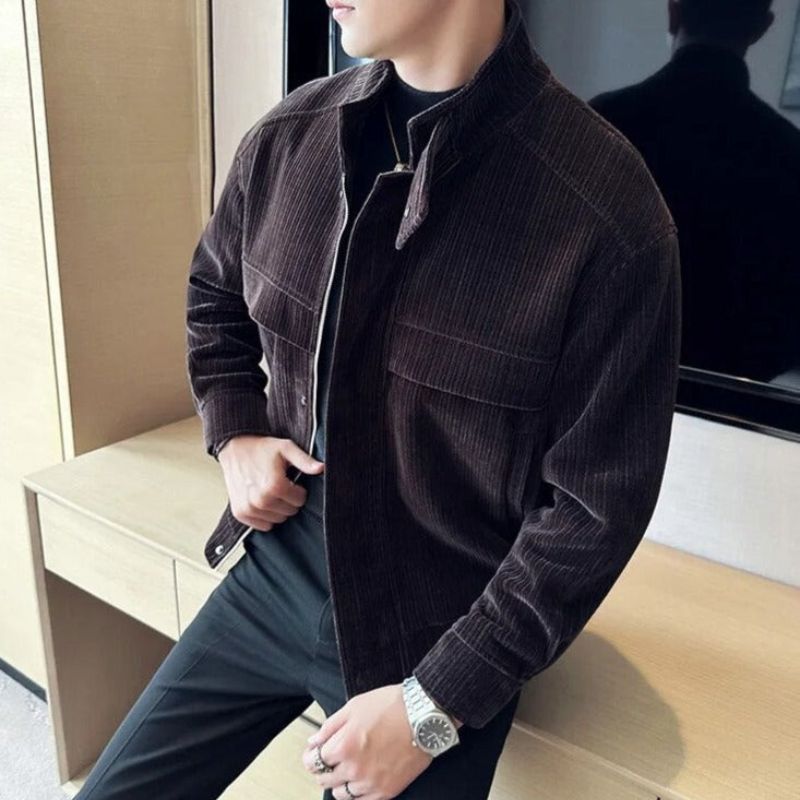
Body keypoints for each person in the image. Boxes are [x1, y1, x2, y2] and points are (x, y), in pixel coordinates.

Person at [76, 1, 681, 798]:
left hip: (441, 633)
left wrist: (433, 709)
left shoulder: (604, 211)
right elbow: (215, 295)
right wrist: (236, 432)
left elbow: (593, 512)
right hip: (281, 569)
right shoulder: (289, 138)